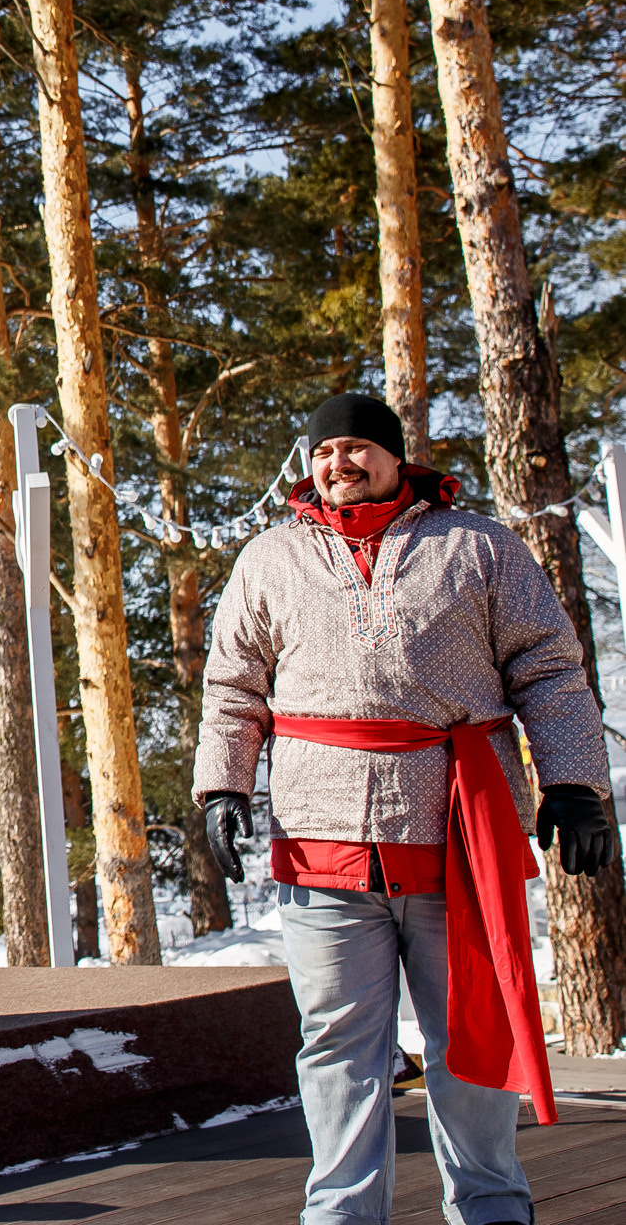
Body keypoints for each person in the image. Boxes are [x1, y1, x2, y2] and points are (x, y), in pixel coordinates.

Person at [197, 391, 617, 1225]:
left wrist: (575, 785)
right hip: (322, 840)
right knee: (338, 1045)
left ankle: (492, 1207)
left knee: (470, 1034)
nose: (338, 463)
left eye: (356, 447)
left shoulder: (479, 546)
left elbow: (550, 669)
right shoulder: (269, 559)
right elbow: (233, 689)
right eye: (324, 452)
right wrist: (223, 786)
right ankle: (342, 1215)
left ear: (396, 457)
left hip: (457, 835)